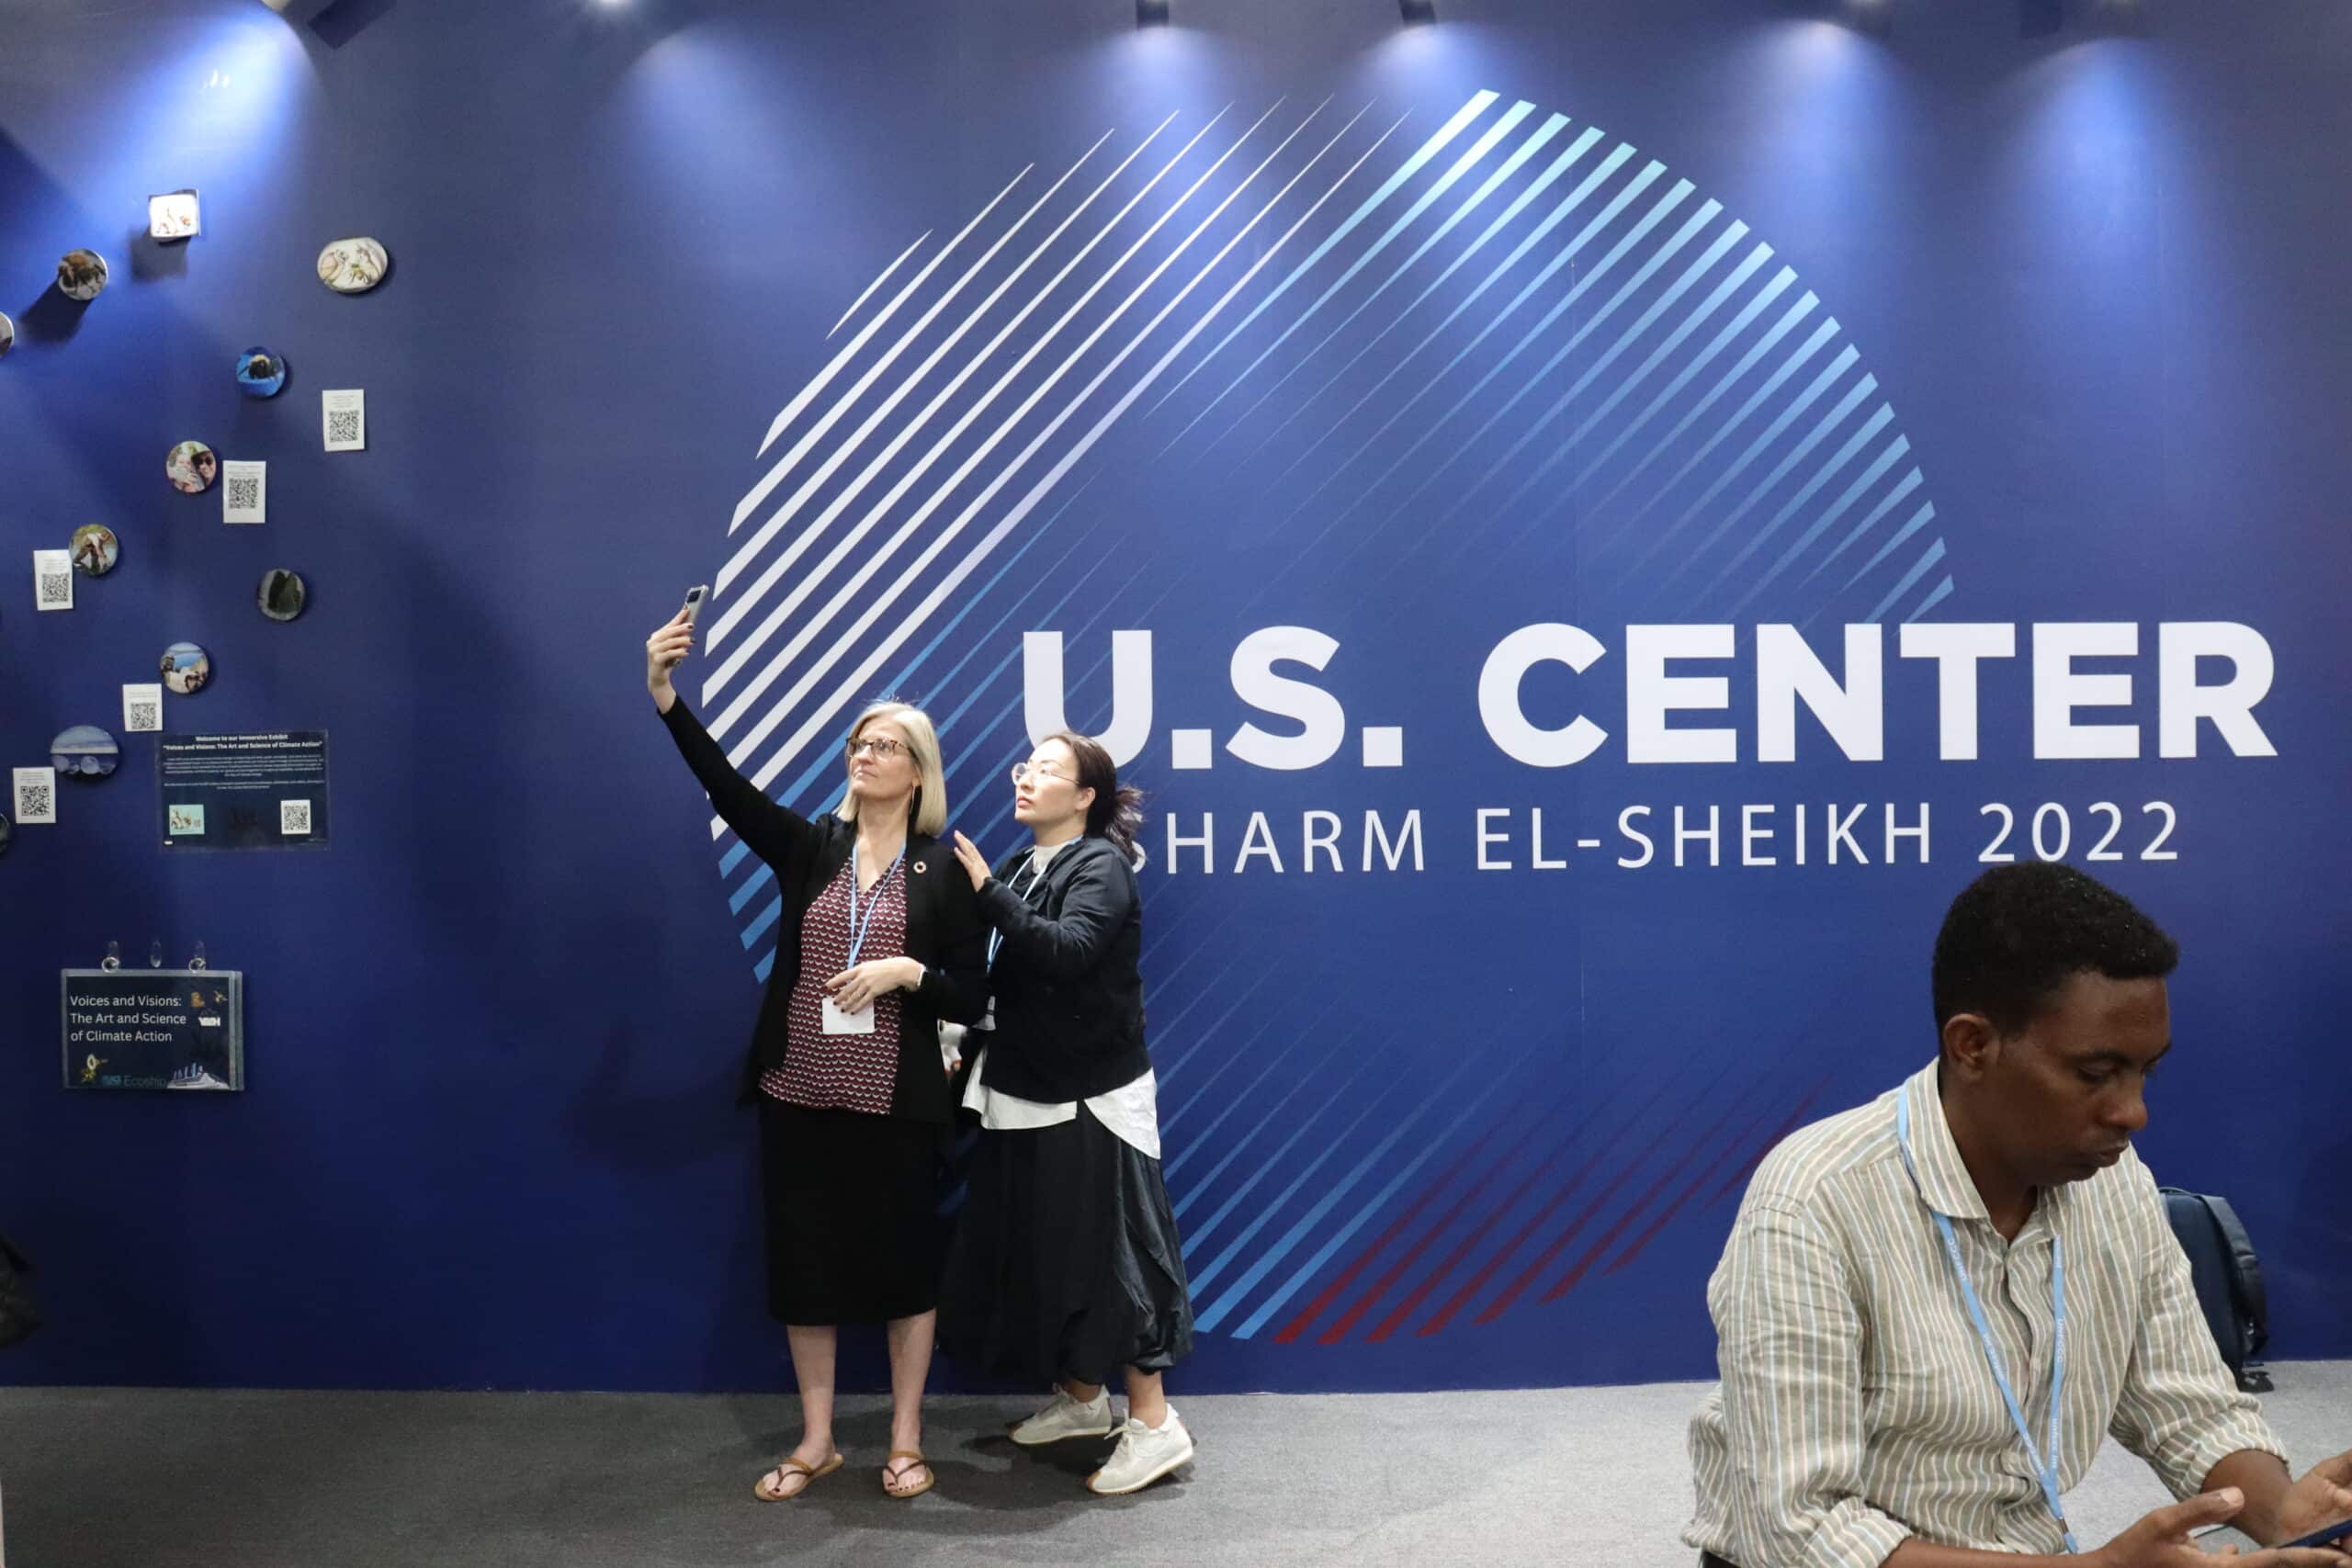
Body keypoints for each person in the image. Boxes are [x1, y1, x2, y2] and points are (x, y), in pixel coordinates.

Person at [1685, 862, 2352, 1568]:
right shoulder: (1812, 1201)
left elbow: (2183, 1400)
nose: (2134, 1112)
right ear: (1972, 1045)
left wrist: (2284, 1514)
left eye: (2144, 1071)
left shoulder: (2113, 1179)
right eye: (2096, 1075)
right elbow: (1803, 1530)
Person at [644, 607, 986, 1503]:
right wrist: (667, 698)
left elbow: (975, 998)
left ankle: (906, 1440)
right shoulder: (813, 846)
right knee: (806, 1270)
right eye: (856, 742)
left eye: (881, 745)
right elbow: (727, 790)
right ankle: (818, 1439)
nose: (861, 754)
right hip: (801, 1093)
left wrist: (905, 969)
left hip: (897, 1106)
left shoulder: (940, 869)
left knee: (905, 1272)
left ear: (916, 771)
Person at [940, 729, 1197, 1496]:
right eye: (1025, 766)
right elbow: (1002, 975)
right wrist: (957, 1028)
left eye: (1047, 769)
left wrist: (987, 889)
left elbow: (1066, 950)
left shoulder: (1102, 866)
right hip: (1025, 1090)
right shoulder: (1025, 864)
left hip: (1092, 1097)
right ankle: (1085, 1401)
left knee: (1114, 1261)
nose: (1026, 777)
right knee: (1049, 1254)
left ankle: (1154, 1425)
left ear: (1085, 796)